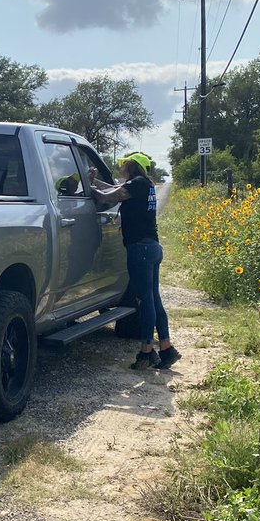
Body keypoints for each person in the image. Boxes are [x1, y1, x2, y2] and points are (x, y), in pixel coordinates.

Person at [88, 152, 181, 370]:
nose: (120, 167)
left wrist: (89, 187)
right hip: (152, 248)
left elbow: (108, 197)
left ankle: (146, 352)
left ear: (131, 165)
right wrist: (94, 182)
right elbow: (113, 188)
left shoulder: (136, 184)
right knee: (154, 300)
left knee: (145, 301)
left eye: (123, 164)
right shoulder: (144, 184)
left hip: (139, 249)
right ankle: (166, 349)